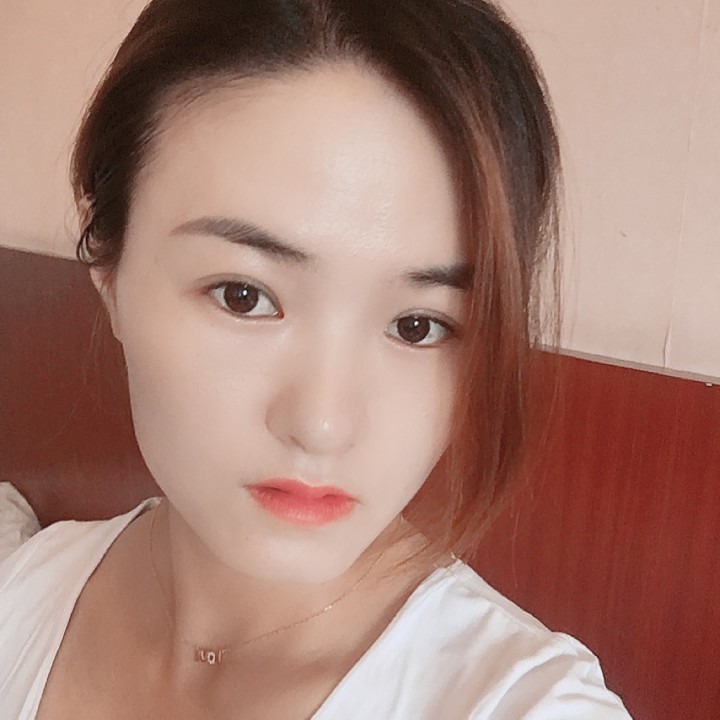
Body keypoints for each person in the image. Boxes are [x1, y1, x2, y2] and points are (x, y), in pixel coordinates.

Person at [0, 0, 633, 717]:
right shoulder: (26, 591)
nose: (323, 425)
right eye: (244, 296)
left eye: (418, 326)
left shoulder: (522, 704)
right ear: (107, 263)